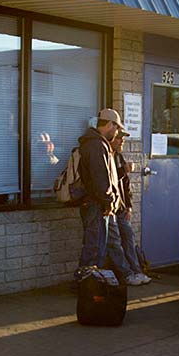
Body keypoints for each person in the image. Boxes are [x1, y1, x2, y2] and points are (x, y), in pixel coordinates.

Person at [76, 108, 123, 272]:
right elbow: (101, 180)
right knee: (94, 249)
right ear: (110, 124)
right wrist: (109, 201)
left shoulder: (95, 143)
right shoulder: (97, 145)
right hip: (96, 205)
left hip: (94, 204)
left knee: (94, 246)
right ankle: (87, 285)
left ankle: (89, 284)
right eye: (116, 128)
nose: (116, 133)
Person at [109, 128, 151, 285]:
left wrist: (129, 206)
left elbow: (125, 184)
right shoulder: (106, 155)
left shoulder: (118, 156)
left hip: (120, 206)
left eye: (123, 138)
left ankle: (137, 270)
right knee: (114, 242)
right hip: (109, 207)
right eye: (119, 138)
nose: (122, 141)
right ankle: (125, 273)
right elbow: (108, 181)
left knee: (129, 236)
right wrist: (123, 171)